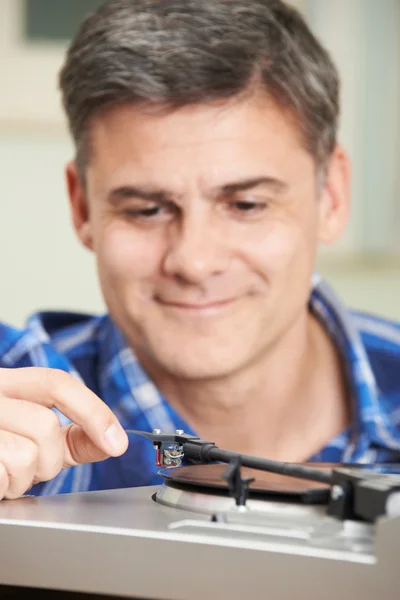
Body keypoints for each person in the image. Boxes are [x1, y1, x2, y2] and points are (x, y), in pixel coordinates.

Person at [0, 0, 399, 502]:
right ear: (82, 206)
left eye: (246, 204)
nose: (194, 261)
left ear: (332, 195)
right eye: (147, 210)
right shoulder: (10, 391)